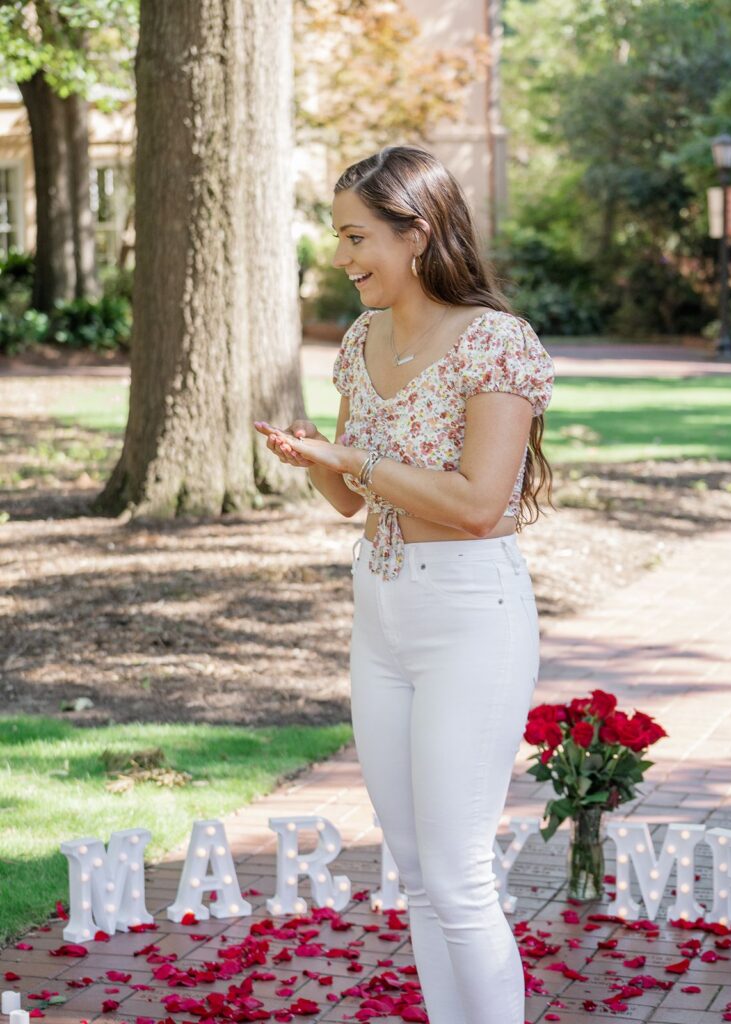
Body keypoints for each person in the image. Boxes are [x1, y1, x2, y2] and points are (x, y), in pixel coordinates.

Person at [254, 145, 555, 1024]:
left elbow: (476, 504)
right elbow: (353, 497)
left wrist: (356, 458)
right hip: (381, 613)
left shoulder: (495, 340)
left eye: (357, 238)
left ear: (416, 233)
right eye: (338, 237)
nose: (342, 259)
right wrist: (318, 459)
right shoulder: (360, 339)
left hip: (471, 615)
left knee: (459, 875)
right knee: (417, 872)